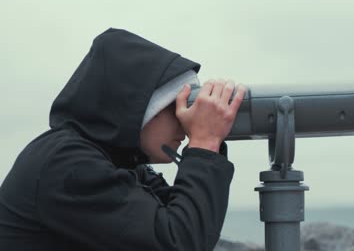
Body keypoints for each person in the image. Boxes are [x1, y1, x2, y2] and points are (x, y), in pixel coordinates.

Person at [0, 28, 246, 251]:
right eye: (175, 107)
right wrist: (205, 143)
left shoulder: (117, 163)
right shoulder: (68, 165)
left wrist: (208, 141)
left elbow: (190, 222)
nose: (185, 121)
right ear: (139, 106)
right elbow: (179, 242)